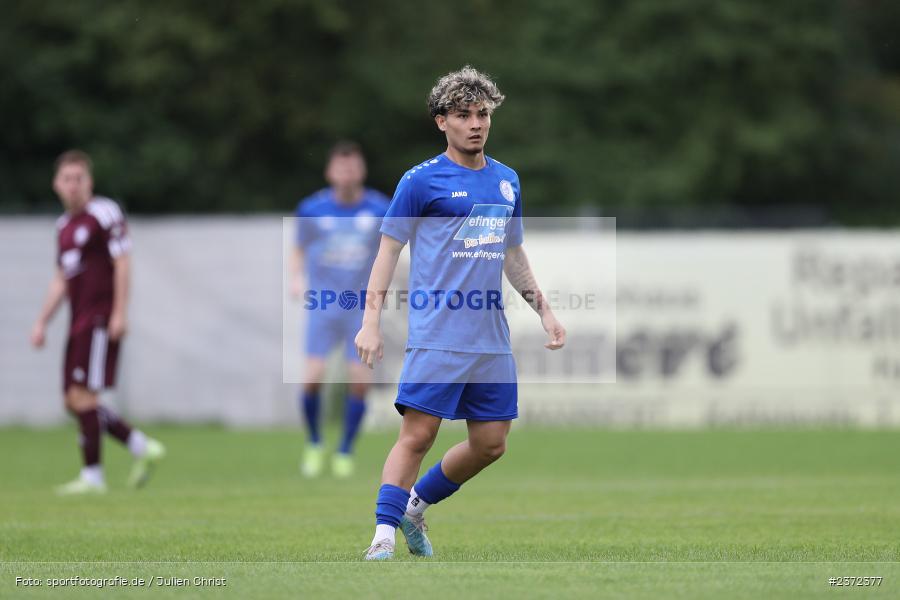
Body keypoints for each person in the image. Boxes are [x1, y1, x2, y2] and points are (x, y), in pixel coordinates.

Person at [355, 67, 566, 560]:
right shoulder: (420, 181)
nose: (476, 124)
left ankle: (414, 507)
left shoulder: (507, 181)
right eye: (464, 115)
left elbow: (513, 254)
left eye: (483, 114)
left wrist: (545, 312)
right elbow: (387, 252)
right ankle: (382, 535)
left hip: (490, 337)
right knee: (419, 434)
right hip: (436, 333)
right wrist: (369, 321)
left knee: (492, 443)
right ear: (441, 121)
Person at [30, 150, 165, 495]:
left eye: (79, 178)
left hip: (100, 317)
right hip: (78, 321)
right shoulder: (63, 228)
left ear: (89, 182)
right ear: (56, 185)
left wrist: (120, 312)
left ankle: (93, 476)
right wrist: (42, 321)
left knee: (83, 397)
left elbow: (123, 262)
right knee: (72, 402)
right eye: (67, 179)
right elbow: (61, 279)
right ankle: (139, 446)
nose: (73, 186)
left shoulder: (103, 213)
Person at [290, 142, 390, 478]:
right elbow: (298, 248)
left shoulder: (379, 208)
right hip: (323, 305)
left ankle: (345, 449)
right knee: (312, 379)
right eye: (341, 167)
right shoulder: (312, 208)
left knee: (359, 381)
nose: (347, 173)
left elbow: (389, 250)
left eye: (353, 167)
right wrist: (294, 278)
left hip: (360, 309)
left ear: (361, 170)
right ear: (330, 172)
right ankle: (315, 442)